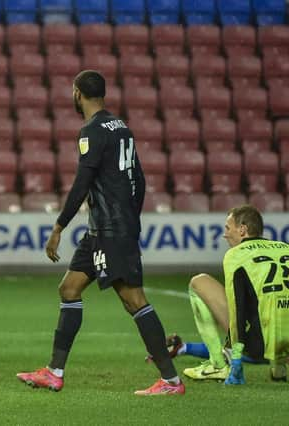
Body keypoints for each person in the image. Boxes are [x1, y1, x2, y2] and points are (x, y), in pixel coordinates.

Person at [16, 70, 185, 396]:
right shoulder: (121, 127)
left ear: (78, 93)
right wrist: (129, 217)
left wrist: (59, 226)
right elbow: (140, 178)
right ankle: (54, 372)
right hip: (104, 229)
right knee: (69, 289)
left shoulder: (91, 131)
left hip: (110, 228)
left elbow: (82, 183)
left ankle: (170, 381)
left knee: (134, 300)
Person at [164, 205, 289, 384]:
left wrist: (236, 358)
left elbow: (239, 309)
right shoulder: (284, 247)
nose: (225, 234)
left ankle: (218, 365)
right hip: (284, 342)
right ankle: (279, 366)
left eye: (228, 228)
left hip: (259, 346)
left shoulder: (235, 255)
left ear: (243, 230)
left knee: (199, 282)